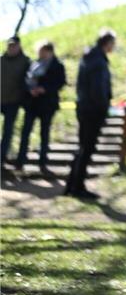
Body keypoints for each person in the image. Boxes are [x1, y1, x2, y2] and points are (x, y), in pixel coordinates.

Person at [64, 29, 116, 200]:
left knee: (82, 147)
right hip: (93, 110)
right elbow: (98, 89)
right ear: (107, 43)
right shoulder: (98, 61)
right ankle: (78, 186)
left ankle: (71, 184)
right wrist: (103, 107)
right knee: (87, 148)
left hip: (84, 107)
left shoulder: (90, 58)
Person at [14, 41, 66, 174]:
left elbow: (60, 82)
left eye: (43, 51)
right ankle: (20, 162)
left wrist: (44, 89)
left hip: (47, 105)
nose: (41, 54)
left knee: (44, 133)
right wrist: (30, 90)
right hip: (31, 104)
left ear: (49, 51)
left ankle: (43, 163)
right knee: (25, 132)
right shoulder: (33, 64)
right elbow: (25, 80)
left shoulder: (58, 66)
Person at [1, 36, 29, 167]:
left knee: (8, 130)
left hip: (13, 101)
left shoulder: (26, 61)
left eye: (14, 46)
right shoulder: (1, 60)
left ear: (19, 46)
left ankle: (2, 157)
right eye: (10, 45)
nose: (11, 48)